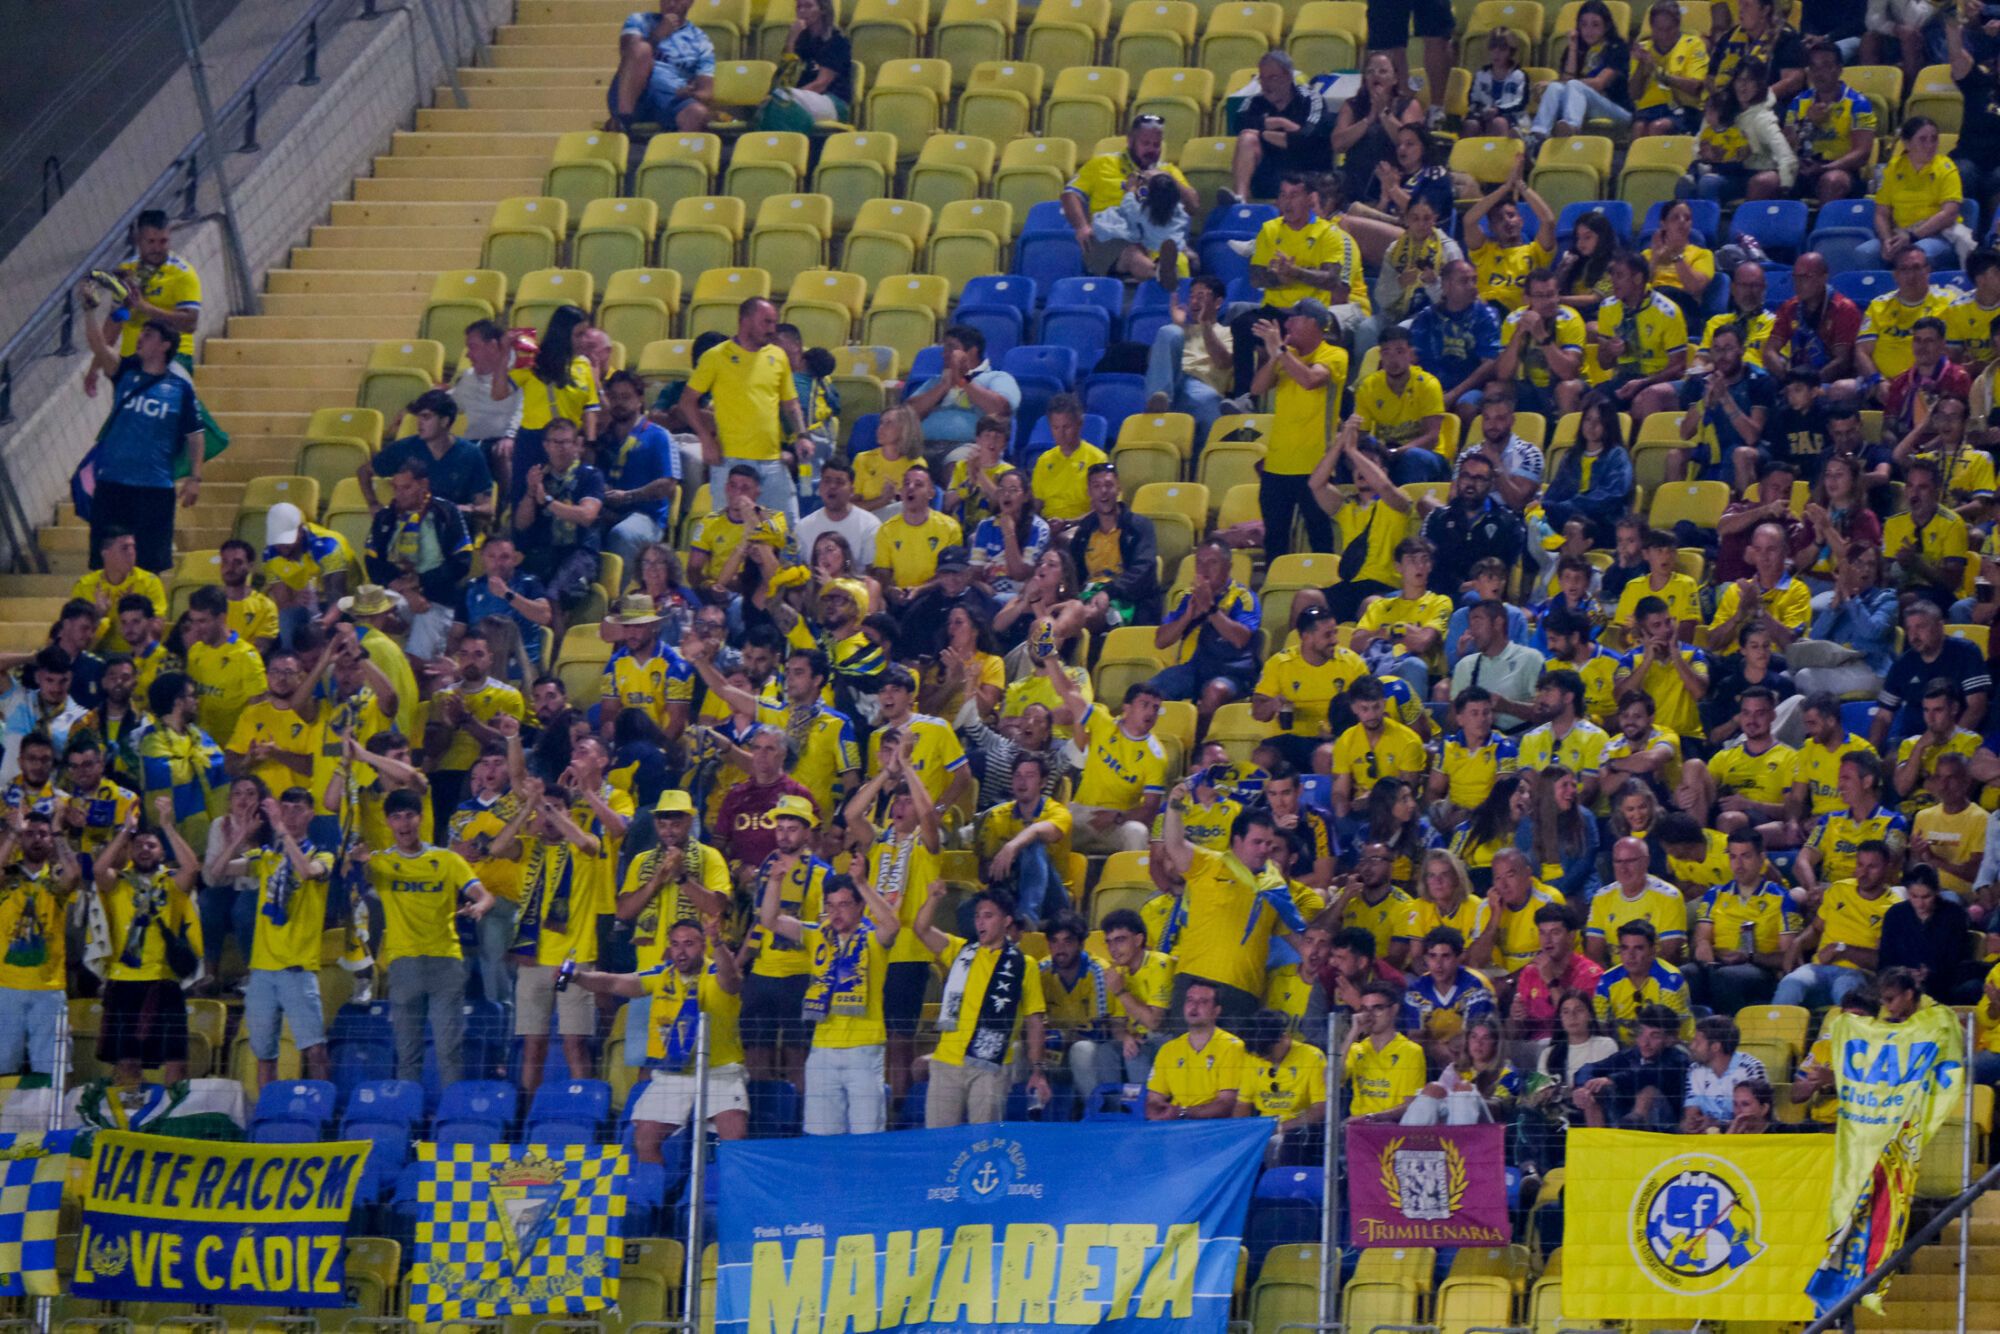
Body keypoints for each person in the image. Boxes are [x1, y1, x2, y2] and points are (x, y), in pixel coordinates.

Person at [573, 915, 747, 1158]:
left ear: (703, 946)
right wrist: (577, 977)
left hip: (719, 1071)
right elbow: (613, 983)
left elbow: (732, 979)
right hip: (672, 1073)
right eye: (675, 944)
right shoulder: (662, 976)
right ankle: (654, 1194)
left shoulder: (717, 972)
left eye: (689, 944)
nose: (681, 952)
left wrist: (718, 942)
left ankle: (724, 1193)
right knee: (644, 1139)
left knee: (734, 1140)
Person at [759, 871, 903, 1135]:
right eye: (830, 905)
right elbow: (770, 920)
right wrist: (776, 881)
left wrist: (862, 884)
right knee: (820, 1135)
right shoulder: (818, 936)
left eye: (845, 904)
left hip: (864, 1049)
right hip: (822, 1050)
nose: (836, 913)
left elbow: (893, 924)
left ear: (860, 906)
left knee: (867, 1134)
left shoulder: (873, 938)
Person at [75, 296, 204, 576]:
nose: (140, 339)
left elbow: (195, 434)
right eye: (141, 334)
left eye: (148, 335)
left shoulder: (179, 387)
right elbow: (99, 346)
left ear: (165, 345)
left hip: (154, 487)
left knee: (149, 564)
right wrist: (88, 312)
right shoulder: (124, 372)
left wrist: (195, 478)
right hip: (112, 483)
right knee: (103, 561)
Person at [906, 883, 1051, 1126]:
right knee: (939, 1143)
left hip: (991, 1067)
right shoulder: (960, 951)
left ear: (1006, 921)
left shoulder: (1024, 965)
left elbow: (1035, 1022)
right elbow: (921, 928)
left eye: (988, 916)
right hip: (946, 1063)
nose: (980, 922)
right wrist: (932, 897)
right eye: (977, 916)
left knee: (984, 1144)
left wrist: (1038, 1071)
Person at [92, 798, 200, 1085]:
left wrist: (167, 826)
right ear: (129, 850)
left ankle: (167, 1123)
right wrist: (126, 831)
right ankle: (130, 1120)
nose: (144, 849)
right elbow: (99, 871)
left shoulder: (172, 882)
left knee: (175, 1060)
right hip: (123, 981)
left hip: (163, 980)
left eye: (151, 845)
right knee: (127, 1061)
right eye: (138, 845)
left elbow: (192, 868)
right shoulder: (119, 883)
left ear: (162, 851)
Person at [688, 297, 812, 520]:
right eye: (766, 322)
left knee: (788, 532)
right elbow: (686, 402)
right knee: (730, 533)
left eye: (774, 322)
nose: (772, 329)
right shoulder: (716, 357)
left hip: (773, 462)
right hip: (730, 463)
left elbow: (790, 402)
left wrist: (802, 434)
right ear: (744, 321)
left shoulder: (778, 356)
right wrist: (706, 439)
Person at [1062, 115, 1198, 277]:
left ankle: (1167, 280)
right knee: (1132, 253)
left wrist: (1168, 179)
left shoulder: (1168, 171)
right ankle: (1159, 274)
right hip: (1110, 236)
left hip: (1154, 234)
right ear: (1130, 141)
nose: (1151, 150)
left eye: (1156, 145)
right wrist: (1082, 227)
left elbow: (1193, 206)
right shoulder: (1102, 164)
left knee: (1190, 260)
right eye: (1145, 143)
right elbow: (1070, 194)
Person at [1778, 838, 1900, 1005]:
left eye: (1872, 867)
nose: (1863, 873)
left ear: (1887, 868)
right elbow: (1816, 929)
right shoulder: (1839, 889)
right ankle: (1774, 1030)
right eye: (1860, 865)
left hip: (1859, 975)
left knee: (1843, 986)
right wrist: (1797, 943)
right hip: (1819, 969)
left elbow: (1883, 961)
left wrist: (1841, 949)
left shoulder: (1894, 908)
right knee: (1791, 982)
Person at [1860, 115, 1967, 271]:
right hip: (1900, 232)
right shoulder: (1894, 167)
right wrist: (1887, 240)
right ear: (1906, 143)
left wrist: (1912, 237)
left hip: (1937, 234)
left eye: (1934, 139)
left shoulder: (1946, 167)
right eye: (1922, 139)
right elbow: (1881, 212)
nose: (1930, 145)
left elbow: (1949, 213)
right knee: (1865, 253)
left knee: (1919, 255)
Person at [904, 326, 1022, 461]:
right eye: (944, 349)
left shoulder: (997, 377)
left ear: (972, 351)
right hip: (922, 446)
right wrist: (943, 386)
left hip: (968, 447)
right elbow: (908, 413)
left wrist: (963, 380)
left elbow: (1000, 410)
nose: (944, 354)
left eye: (951, 348)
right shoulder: (936, 381)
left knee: (959, 467)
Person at [1462, 154, 1557, 316]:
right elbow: (1469, 221)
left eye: (1511, 215)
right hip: (1486, 315)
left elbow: (1548, 220)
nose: (1507, 221)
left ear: (1520, 220)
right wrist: (1505, 187)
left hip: (1523, 316)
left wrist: (1520, 185)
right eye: (1499, 218)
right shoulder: (1484, 252)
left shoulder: (1535, 251)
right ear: (1491, 227)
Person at [1230, 52, 1331, 201]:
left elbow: (1307, 138)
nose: (1266, 84)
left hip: (1306, 172)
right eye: (1262, 78)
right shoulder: (1256, 101)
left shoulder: (1310, 99)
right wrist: (1278, 123)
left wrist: (1263, 133)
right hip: (1270, 171)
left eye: (1273, 78)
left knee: (1253, 135)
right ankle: (1240, 200)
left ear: (1289, 77)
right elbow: (1238, 125)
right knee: (1246, 139)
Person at [1529, 0, 1633, 144]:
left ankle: (1571, 128)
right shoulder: (1578, 47)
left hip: (1616, 109)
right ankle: (1537, 136)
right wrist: (1572, 47)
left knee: (1572, 85)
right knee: (1555, 88)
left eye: (1595, 25)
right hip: (1584, 105)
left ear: (1607, 26)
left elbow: (1599, 83)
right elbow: (1566, 80)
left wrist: (1560, 82)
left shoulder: (1617, 48)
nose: (1588, 30)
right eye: (1583, 24)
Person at [1572, 1004, 1689, 1127]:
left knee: (1648, 1091)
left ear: (1670, 1039)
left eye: (1655, 1036)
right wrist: (1583, 1088)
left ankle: (1633, 1129)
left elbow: (1648, 1074)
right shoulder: (1631, 1055)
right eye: (1641, 1033)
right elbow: (1589, 1068)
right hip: (1621, 1117)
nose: (1644, 1042)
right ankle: (1597, 1143)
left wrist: (1612, 1080)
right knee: (1592, 1093)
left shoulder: (1678, 1059)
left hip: (1668, 1127)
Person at [1144, 982, 1248, 1120]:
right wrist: (1156, 1111)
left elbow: (1226, 1103)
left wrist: (1182, 1113)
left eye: (1203, 1002)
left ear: (1216, 1011)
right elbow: (1154, 1099)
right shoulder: (1168, 1049)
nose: (1194, 1006)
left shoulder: (1232, 1047)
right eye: (1190, 1000)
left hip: (1212, 1128)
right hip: (1174, 1126)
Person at [610, 0, 715, 130]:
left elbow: (706, 91)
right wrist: (658, 34)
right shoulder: (639, 20)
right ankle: (623, 121)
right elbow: (627, 54)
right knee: (642, 48)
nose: (671, 4)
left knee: (697, 112)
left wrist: (691, 93)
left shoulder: (701, 40)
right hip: (635, 94)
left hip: (670, 97)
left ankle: (674, 149)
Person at [1629, 0, 1709, 137]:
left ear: (1678, 25)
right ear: (1652, 27)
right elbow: (1634, 94)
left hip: (1685, 109)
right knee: (1639, 127)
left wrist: (1659, 73)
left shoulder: (1693, 45)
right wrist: (1642, 67)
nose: (1664, 35)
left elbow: (1695, 87)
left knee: (1658, 127)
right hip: (1649, 109)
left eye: (1669, 29)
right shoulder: (1643, 50)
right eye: (1659, 29)